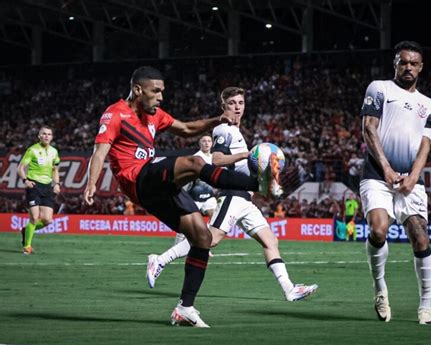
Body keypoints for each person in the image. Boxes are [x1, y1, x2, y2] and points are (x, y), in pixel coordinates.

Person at [84, 67, 282, 328]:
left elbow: (187, 128)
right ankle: (257, 184)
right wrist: (91, 183)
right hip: (137, 178)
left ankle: (185, 308)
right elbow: (99, 152)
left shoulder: (154, 115)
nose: (161, 97)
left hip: (156, 189)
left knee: (203, 237)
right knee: (195, 163)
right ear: (137, 90)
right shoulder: (115, 114)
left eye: (162, 91)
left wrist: (217, 121)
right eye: (156, 91)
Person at [147, 87, 317, 302]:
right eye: (232, 103)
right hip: (232, 195)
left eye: (240, 103)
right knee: (210, 239)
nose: (237, 107)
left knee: (270, 241)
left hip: (245, 199)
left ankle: (289, 289)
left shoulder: (236, 132)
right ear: (223, 107)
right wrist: (248, 155)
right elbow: (216, 160)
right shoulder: (222, 129)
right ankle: (159, 260)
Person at [359, 41, 431, 325]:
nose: (408, 67)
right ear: (395, 63)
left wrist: (414, 176)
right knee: (378, 230)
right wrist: (388, 169)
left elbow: (425, 145)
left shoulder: (429, 105)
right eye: (403, 62)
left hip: (411, 179)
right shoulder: (379, 88)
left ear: (420, 67)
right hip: (378, 175)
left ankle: (425, 307)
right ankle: (380, 288)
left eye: (413, 63)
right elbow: (369, 129)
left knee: (420, 237)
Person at [17, 126, 61, 254]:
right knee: (35, 218)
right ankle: (27, 246)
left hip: (47, 187)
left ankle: (26, 230)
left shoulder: (54, 152)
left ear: (51, 137)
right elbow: (20, 168)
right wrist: (25, 180)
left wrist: (57, 183)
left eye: (49, 134)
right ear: (39, 136)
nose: (47, 136)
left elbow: (55, 170)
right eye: (44, 134)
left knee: (47, 220)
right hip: (34, 186)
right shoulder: (32, 150)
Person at [174, 135, 217, 246]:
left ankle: (205, 247)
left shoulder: (214, 158)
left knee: (215, 218)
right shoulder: (196, 157)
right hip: (194, 196)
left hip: (208, 196)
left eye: (209, 141)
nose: (207, 143)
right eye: (204, 141)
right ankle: (177, 246)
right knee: (186, 224)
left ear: (212, 143)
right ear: (200, 144)